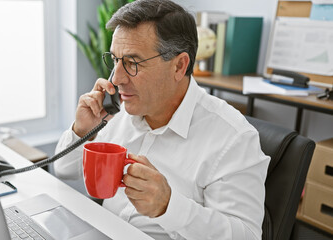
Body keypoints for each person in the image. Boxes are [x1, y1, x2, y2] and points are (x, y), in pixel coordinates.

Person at [54, 0, 270, 239]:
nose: (116, 79)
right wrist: (83, 130)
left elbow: (247, 236)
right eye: (115, 60)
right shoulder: (123, 110)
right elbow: (64, 169)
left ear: (179, 66)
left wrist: (169, 207)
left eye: (132, 63)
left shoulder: (234, 138)